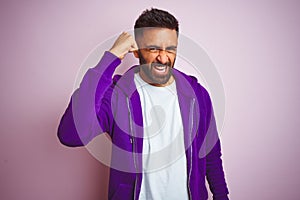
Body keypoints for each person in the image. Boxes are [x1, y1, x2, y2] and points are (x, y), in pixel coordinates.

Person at [58, 8, 229, 200]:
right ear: (137, 51)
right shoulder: (117, 95)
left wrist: (221, 196)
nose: (163, 58)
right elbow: (70, 135)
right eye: (153, 49)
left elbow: (211, 154)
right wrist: (111, 58)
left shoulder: (197, 95)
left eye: (170, 49)